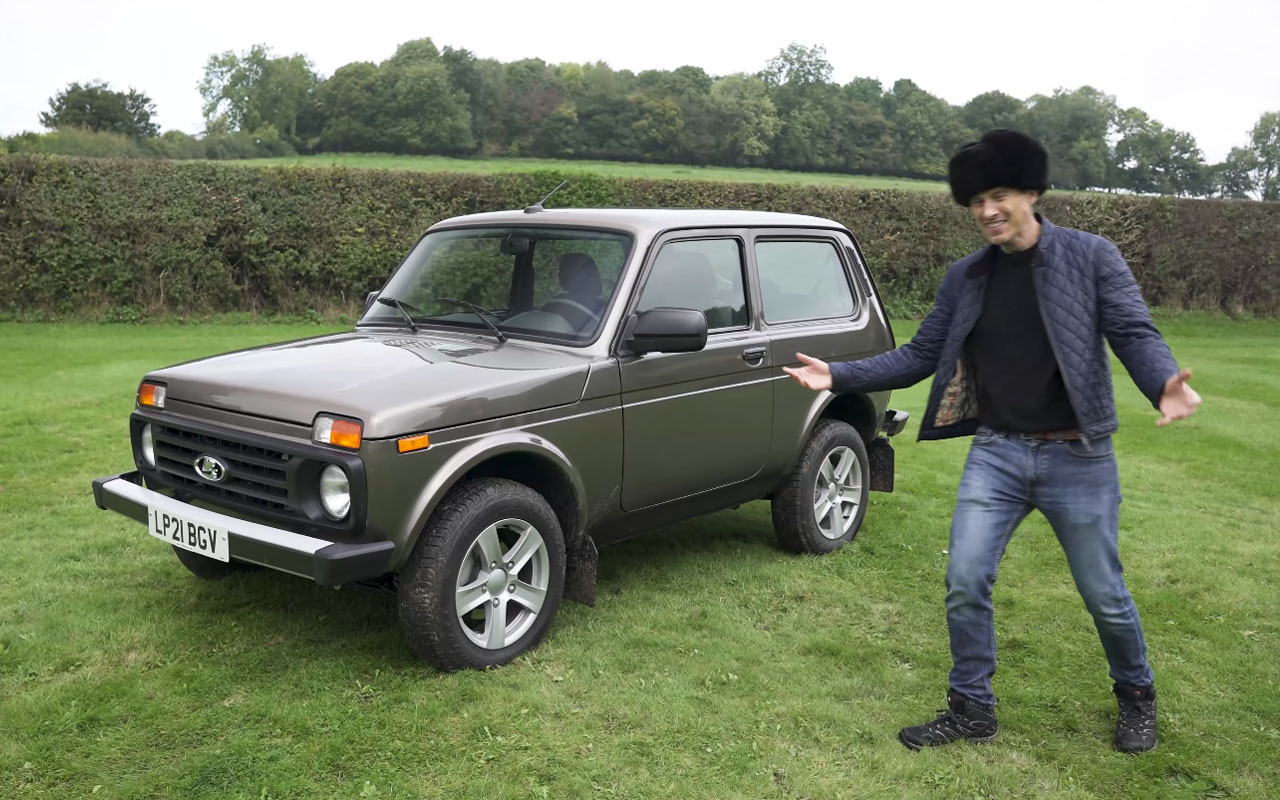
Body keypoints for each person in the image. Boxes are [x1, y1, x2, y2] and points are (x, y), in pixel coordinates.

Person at [783, 129, 1201, 754]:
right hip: (998, 453)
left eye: (998, 195)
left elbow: (1133, 331)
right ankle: (972, 709)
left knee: (1104, 593)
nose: (986, 211)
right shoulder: (967, 277)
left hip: (1078, 456)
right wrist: (838, 375)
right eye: (976, 201)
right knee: (965, 580)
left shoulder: (1092, 256)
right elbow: (920, 355)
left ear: (1031, 192)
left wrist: (1163, 384)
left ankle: (1136, 694)